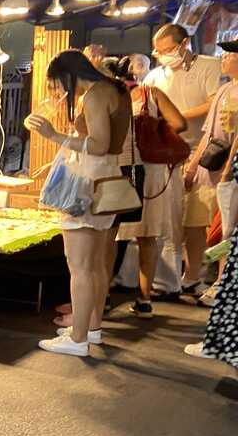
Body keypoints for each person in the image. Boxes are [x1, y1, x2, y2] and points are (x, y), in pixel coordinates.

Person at [25, 51, 132, 356]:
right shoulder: (115, 90)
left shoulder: (95, 95)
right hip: (106, 180)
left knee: (80, 266)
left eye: (58, 84)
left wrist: (54, 135)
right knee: (96, 264)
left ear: (68, 75)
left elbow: (97, 145)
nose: (59, 91)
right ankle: (91, 328)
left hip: (87, 183)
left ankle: (78, 338)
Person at [100, 55, 186, 318]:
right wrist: (154, 129)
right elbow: (180, 124)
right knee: (146, 236)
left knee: (109, 235)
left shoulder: (108, 97)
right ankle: (144, 300)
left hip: (121, 168)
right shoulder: (151, 93)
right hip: (152, 171)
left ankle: (102, 297)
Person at [147, 23, 223, 297]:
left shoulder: (209, 66)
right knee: (168, 222)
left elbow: (214, 104)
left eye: (167, 50)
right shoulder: (155, 76)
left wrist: (176, 115)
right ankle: (167, 278)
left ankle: (194, 276)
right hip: (164, 155)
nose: (163, 55)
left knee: (195, 219)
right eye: (158, 51)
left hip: (200, 151)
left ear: (184, 44)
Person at [184, 41, 238, 306]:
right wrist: (193, 165)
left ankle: (222, 282)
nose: (224, 59)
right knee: (207, 226)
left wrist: (229, 167)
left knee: (228, 229)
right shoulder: (224, 90)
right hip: (211, 168)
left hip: (230, 172)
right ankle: (206, 276)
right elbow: (207, 133)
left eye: (229, 54)